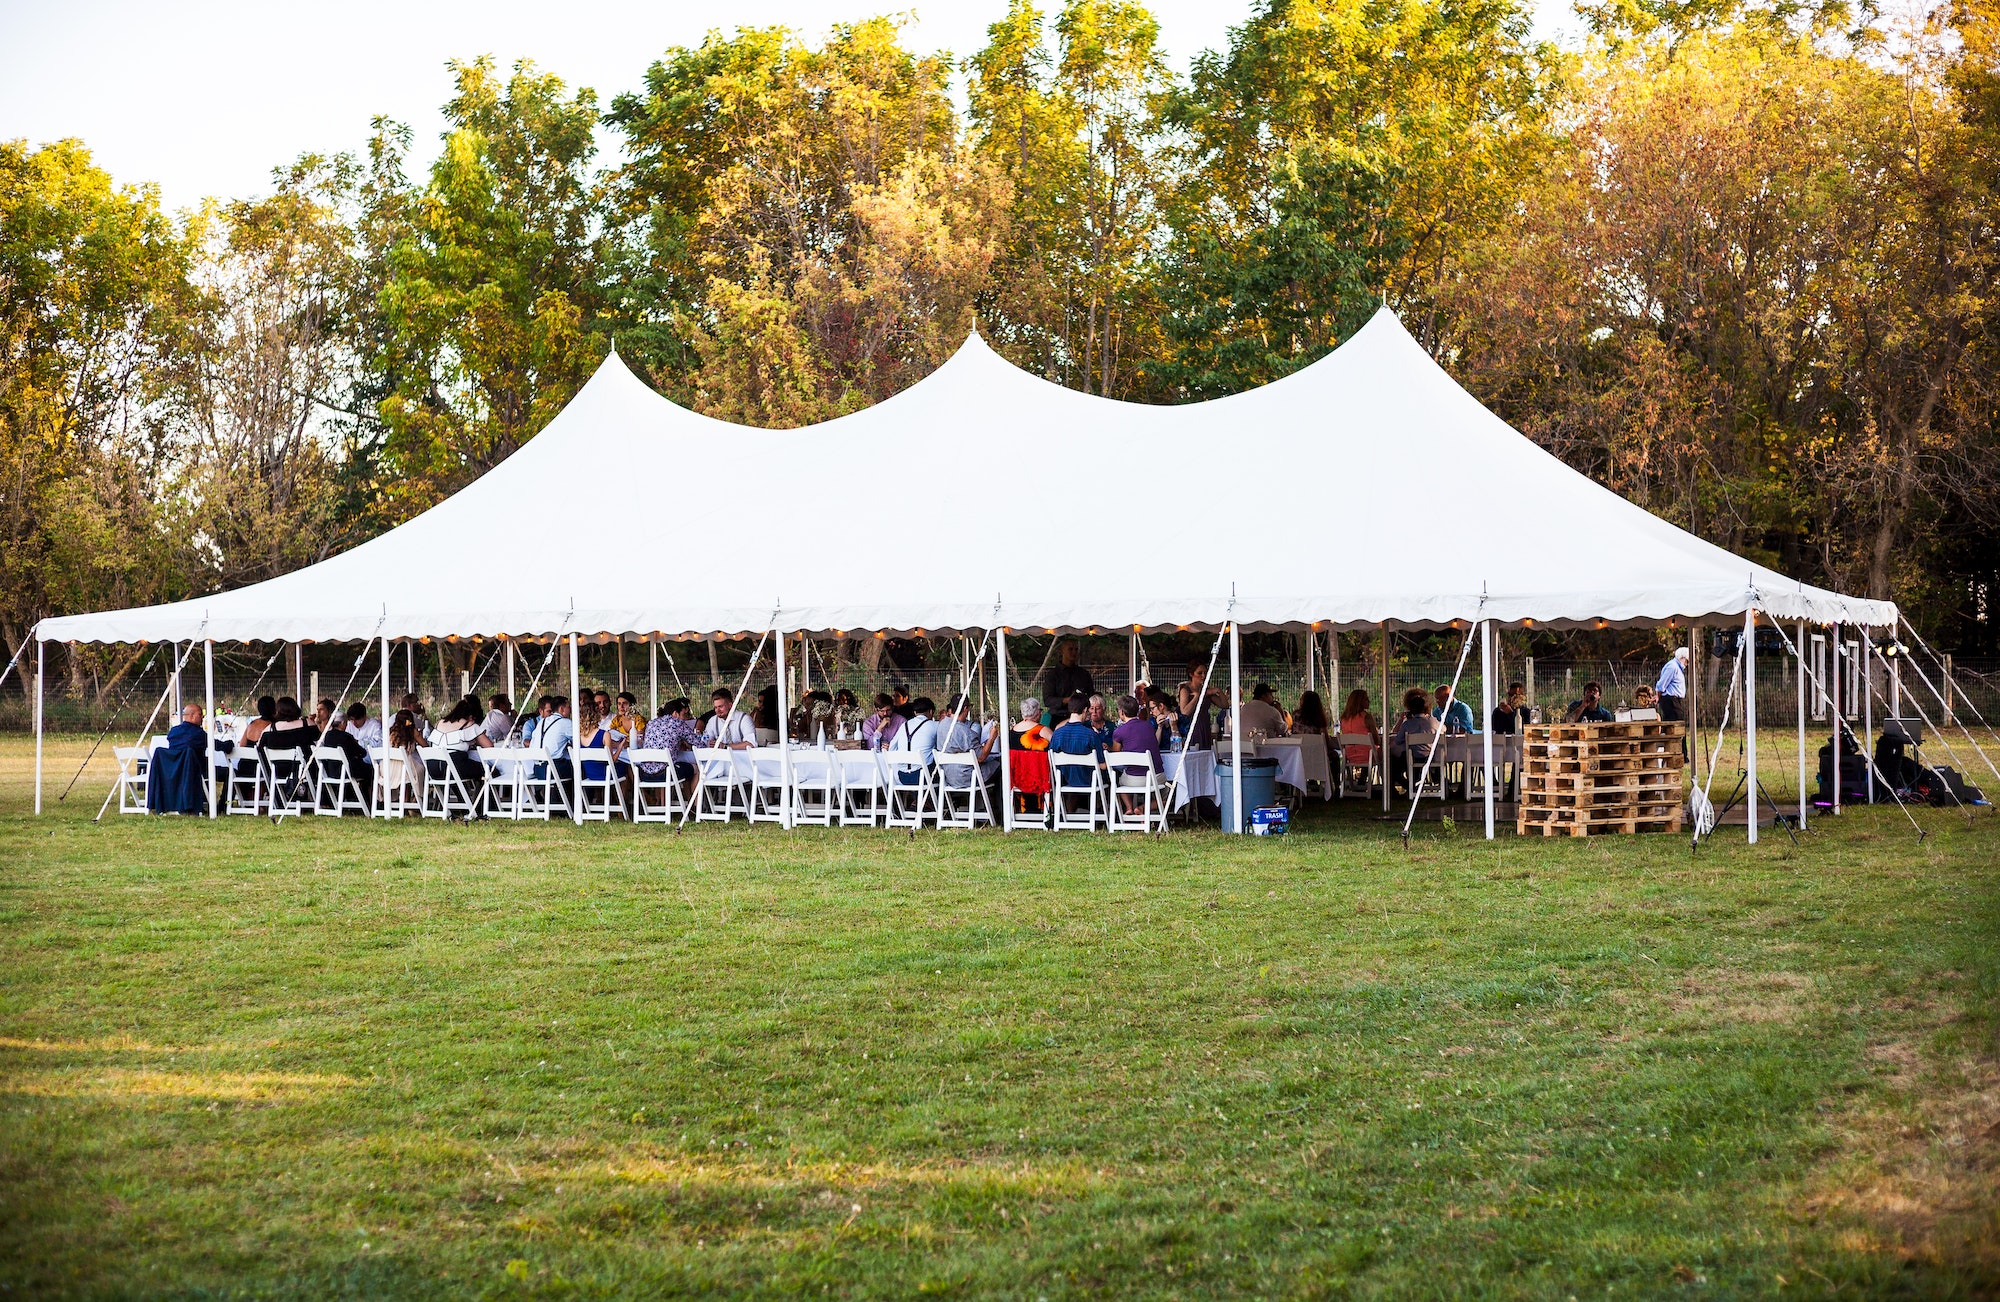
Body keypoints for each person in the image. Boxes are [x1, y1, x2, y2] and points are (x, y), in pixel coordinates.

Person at [147, 703, 225, 813]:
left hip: (174, 771)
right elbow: (217, 745)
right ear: (192, 716)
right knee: (230, 773)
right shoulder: (198, 734)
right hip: (196, 770)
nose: (203, 717)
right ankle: (222, 805)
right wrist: (230, 745)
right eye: (200, 714)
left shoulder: (174, 732)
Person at [1109, 693, 1164, 814]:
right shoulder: (1148, 726)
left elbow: (1115, 755)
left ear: (1121, 712)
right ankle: (1142, 808)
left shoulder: (1119, 731)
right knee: (1170, 795)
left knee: (1119, 782)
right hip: (1156, 777)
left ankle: (1129, 807)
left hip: (1134, 779)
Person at [936, 694, 999, 788]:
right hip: (967, 777)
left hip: (948, 776)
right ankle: (1000, 802)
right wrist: (991, 738)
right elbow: (981, 757)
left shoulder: (942, 725)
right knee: (1002, 765)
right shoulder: (965, 732)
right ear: (966, 708)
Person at [1048, 693, 1103, 793]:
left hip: (1065, 781)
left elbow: (1051, 761)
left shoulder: (1057, 734)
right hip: (1090, 781)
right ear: (1085, 710)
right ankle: (1100, 808)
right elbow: (1103, 765)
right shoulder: (1090, 734)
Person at [640, 697, 700, 787]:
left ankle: (682, 800)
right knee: (697, 768)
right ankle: (694, 801)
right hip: (665, 773)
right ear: (675, 713)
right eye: (683, 714)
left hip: (644, 774)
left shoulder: (651, 723)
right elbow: (699, 744)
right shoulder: (678, 723)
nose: (684, 719)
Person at [1389, 688, 1439, 790]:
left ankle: (1409, 786)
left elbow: (1398, 740)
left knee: (1393, 763)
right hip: (1431, 757)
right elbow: (1444, 730)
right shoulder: (1434, 722)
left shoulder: (1407, 724)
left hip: (1411, 758)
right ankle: (1419, 784)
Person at [885, 696, 938, 784]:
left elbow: (891, 749)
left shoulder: (904, 725)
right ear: (931, 711)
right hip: (923, 776)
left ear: (914, 712)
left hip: (903, 776)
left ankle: (918, 797)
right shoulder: (935, 725)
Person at [379, 709, 423, 809]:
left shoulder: (389, 731)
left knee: (411, 768)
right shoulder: (412, 731)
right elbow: (425, 745)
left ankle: (406, 801)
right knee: (421, 770)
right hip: (403, 768)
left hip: (386, 769)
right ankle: (414, 800)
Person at [1045, 640, 1094, 708]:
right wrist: (1067, 700)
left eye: (1076, 649)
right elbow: (1047, 700)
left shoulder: (1084, 674)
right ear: (1062, 651)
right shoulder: (1053, 675)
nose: (1074, 652)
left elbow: (1091, 695)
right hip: (1058, 715)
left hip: (1081, 715)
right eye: (1070, 649)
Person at [1339, 689, 1379, 765]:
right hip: (1368, 756)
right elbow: (1376, 740)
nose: (1369, 701)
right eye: (1366, 699)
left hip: (1350, 756)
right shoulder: (1366, 717)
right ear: (1359, 702)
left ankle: (1362, 775)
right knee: (1388, 753)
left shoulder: (1344, 719)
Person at [1656, 647, 1689, 723]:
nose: (1687, 664)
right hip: (1670, 699)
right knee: (1676, 723)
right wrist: (1658, 695)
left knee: (1673, 722)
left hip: (1674, 700)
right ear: (1682, 658)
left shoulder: (1676, 667)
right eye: (1687, 661)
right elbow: (1661, 684)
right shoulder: (1672, 667)